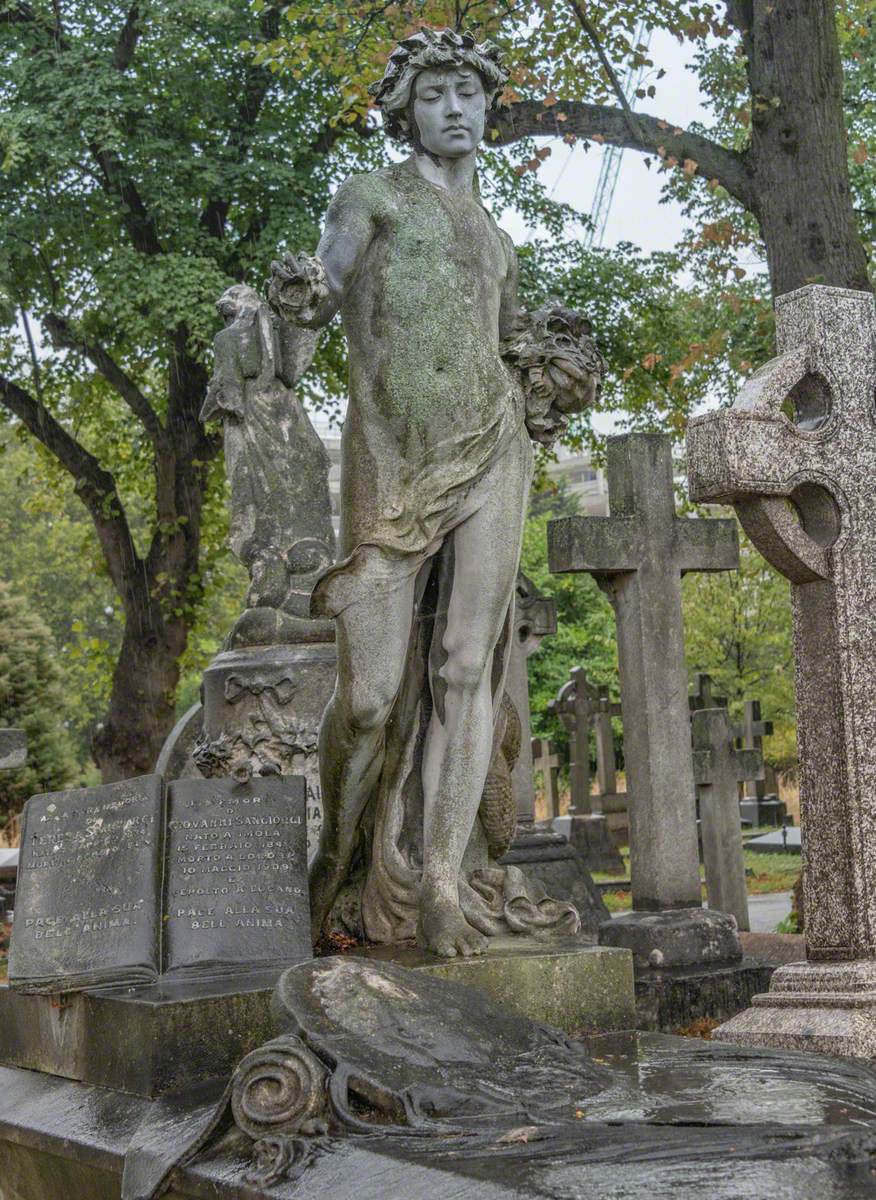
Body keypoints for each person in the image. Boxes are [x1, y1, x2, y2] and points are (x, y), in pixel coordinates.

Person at [269, 28, 602, 957]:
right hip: (392, 460)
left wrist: (551, 378)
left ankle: (445, 885)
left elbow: (505, 350)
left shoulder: (497, 239)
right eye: (435, 95)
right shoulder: (370, 198)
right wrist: (295, 306)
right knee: (371, 697)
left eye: (469, 93)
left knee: (466, 665)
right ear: (405, 109)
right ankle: (337, 853)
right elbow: (322, 291)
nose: (456, 109)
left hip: (493, 450)